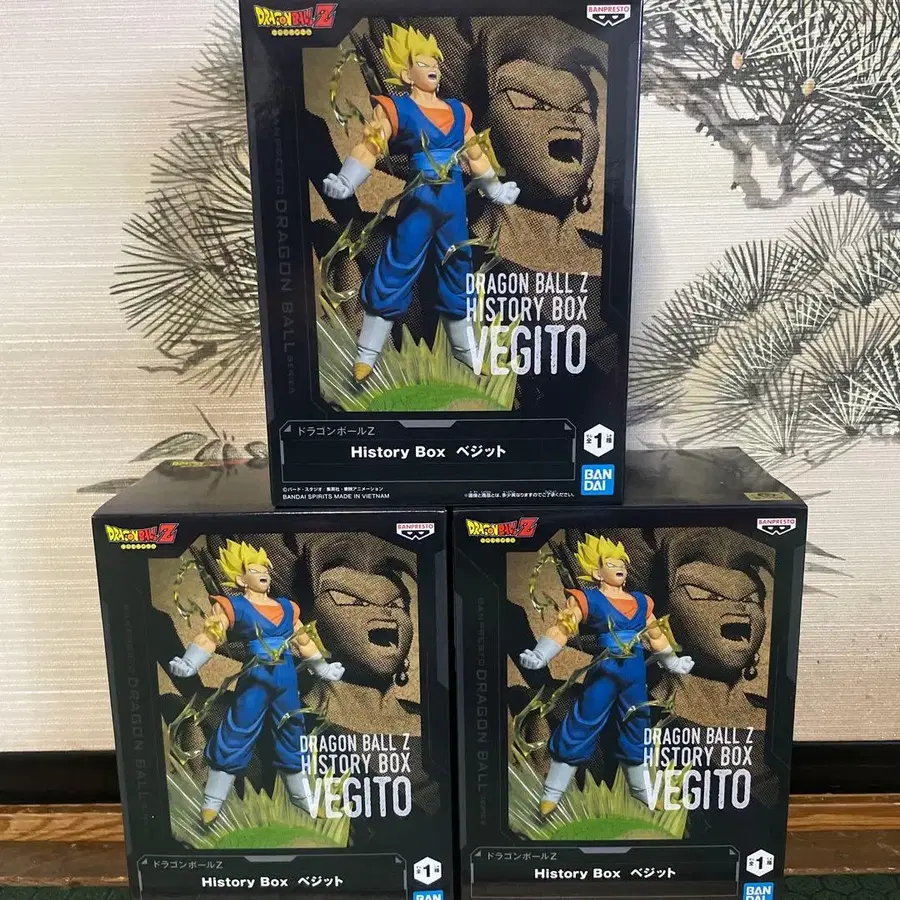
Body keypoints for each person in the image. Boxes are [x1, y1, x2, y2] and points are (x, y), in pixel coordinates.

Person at [323, 23, 519, 382]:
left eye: (436, 63)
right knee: (396, 268)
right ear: (405, 73)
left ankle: (467, 353)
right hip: (419, 201)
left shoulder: (458, 111)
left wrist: (494, 189)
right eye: (424, 62)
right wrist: (347, 180)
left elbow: (475, 155)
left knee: (458, 270)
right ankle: (366, 355)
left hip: (453, 205)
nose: (434, 68)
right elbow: (371, 145)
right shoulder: (397, 109)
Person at [168, 540, 344, 823]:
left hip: (286, 679)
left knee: (293, 732)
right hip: (256, 679)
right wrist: (190, 662)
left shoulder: (287, 608)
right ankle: (212, 802)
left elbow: (303, 641)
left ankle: (303, 799)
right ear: (241, 579)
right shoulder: (233, 606)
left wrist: (322, 668)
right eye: (255, 569)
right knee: (237, 731)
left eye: (266, 569)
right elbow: (210, 635)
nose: (264, 573)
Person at [519, 534, 694, 817]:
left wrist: (672, 661)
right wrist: (541, 654)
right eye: (611, 563)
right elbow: (563, 628)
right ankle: (552, 793)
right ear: (597, 572)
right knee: (582, 724)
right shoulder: (588, 599)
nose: (620, 567)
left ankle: (641, 790)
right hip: (605, 672)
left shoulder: (642, 602)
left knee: (638, 726)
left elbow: (656, 636)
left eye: (622, 562)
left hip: (635, 674)